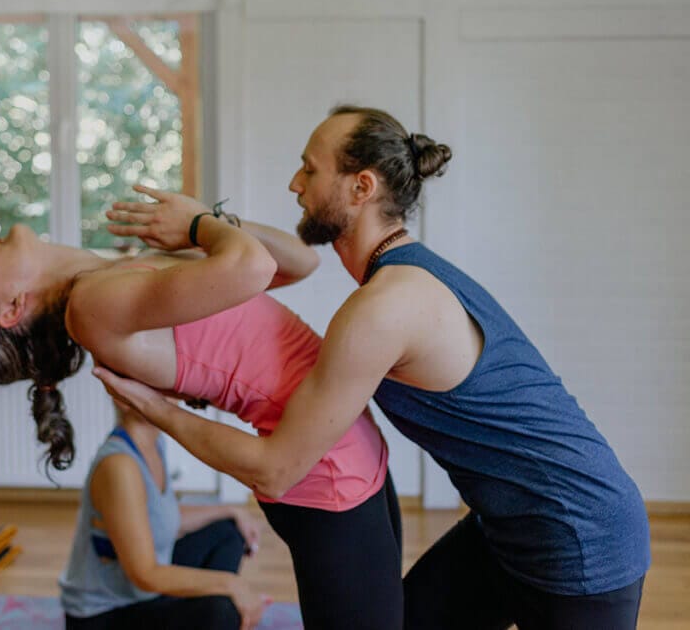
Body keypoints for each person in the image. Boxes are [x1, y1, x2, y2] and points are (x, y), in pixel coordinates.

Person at [94, 105, 651, 629]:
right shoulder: (401, 276)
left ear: (361, 188)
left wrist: (154, 408)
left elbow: (276, 470)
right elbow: (293, 260)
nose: (294, 185)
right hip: (508, 527)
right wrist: (210, 222)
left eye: (310, 170)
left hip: (581, 536)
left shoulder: (386, 306)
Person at [0, 188, 403, 630]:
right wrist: (198, 225)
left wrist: (207, 222)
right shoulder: (91, 305)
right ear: (12, 308)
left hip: (344, 449)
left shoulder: (116, 278)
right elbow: (253, 265)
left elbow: (299, 261)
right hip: (326, 472)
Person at [58, 396, 266, 630]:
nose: (173, 389)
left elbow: (161, 517)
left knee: (227, 532)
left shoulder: (153, 443)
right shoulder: (118, 465)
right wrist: (230, 584)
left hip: (143, 594)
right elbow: (145, 575)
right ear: (123, 397)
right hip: (105, 616)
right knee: (221, 611)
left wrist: (232, 510)